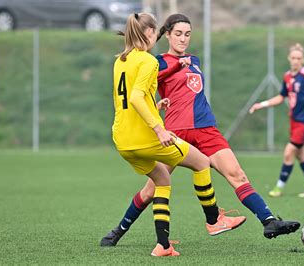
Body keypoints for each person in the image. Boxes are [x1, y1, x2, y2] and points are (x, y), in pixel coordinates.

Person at [101, 13, 300, 248]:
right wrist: (174, 69)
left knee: (237, 175)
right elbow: (142, 90)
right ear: (166, 35)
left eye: (187, 34)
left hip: (205, 128)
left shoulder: (193, 60)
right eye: (178, 34)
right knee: (152, 188)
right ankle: (117, 232)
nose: (183, 39)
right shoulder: (157, 61)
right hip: (175, 130)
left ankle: (268, 221)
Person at [105, 12, 245, 257]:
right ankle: (214, 221)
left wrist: (156, 106)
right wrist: (159, 128)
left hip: (122, 139)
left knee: (160, 182)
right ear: (149, 33)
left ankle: (161, 245)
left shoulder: (121, 60)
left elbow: (127, 101)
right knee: (202, 162)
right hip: (146, 137)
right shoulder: (149, 61)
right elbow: (137, 97)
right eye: (155, 31)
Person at [249, 43, 304, 198]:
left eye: (299, 58)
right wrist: (261, 104)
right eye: (293, 58)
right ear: (289, 58)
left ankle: (279, 187)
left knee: (289, 152)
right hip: (295, 120)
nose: (296, 61)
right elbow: (281, 97)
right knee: (301, 154)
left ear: (303, 59)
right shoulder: (287, 76)